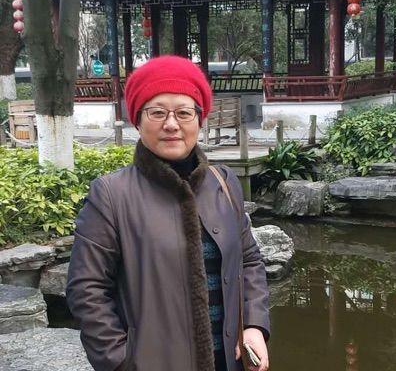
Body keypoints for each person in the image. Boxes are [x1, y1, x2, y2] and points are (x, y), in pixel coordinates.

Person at [66, 55, 270, 371]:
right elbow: (86, 290)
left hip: (229, 361)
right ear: (137, 120)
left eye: (184, 113)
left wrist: (254, 325)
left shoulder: (223, 182)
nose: (172, 124)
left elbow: (249, 260)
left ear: (199, 119)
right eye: (157, 112)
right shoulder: (111, 194)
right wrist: (121, 362)